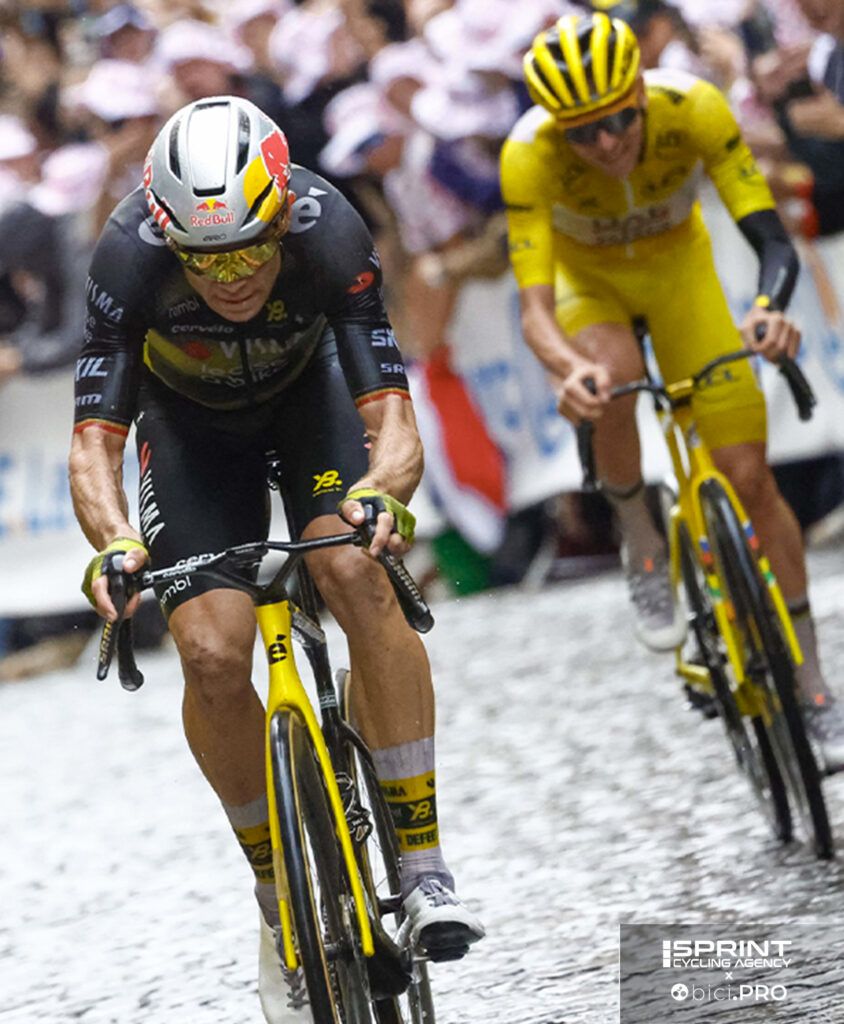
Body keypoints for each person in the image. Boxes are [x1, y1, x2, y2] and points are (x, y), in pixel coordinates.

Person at [68, 96, 484, 1024]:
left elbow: (393, 418)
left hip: (313, 406)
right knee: (211, 651)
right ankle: (273, 883)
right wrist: (115, 543)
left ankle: (422, 864)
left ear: (278, 214)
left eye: (252, 250)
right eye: (206, 261)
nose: (233, 277)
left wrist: (383, 491)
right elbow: (94, 439)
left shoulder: (328, 226)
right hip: (187, 433)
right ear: (169, 237)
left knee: (350, 570)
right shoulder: (127, 255)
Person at [500, 12, 844, 769]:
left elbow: (771, 240)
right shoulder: (528, 155)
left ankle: (813, 682)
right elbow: (534, 310)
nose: (607, 143)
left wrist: (769, 310)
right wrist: (570, 369)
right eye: (583, 133)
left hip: (681, 276)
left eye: (621, 119)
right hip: (589, 293)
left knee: (751, 479)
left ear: (641, 93)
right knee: (613, 374)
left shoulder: (695, 109)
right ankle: (641, 535)